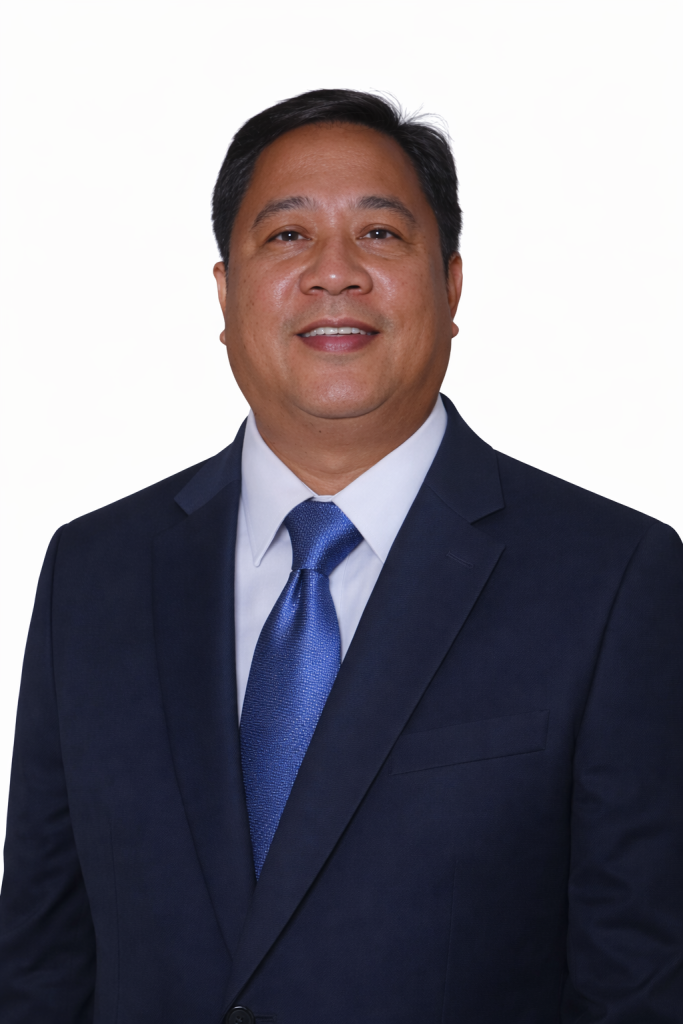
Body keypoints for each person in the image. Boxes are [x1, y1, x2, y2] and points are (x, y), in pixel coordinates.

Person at [0, 89, 681, 1024]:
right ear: (224, 293)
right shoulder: (93, 572)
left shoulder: (612, 577)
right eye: (287, 236)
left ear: (450, 286)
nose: (333, 273)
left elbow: (639, 984)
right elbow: (39, 963)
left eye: (379, 235)